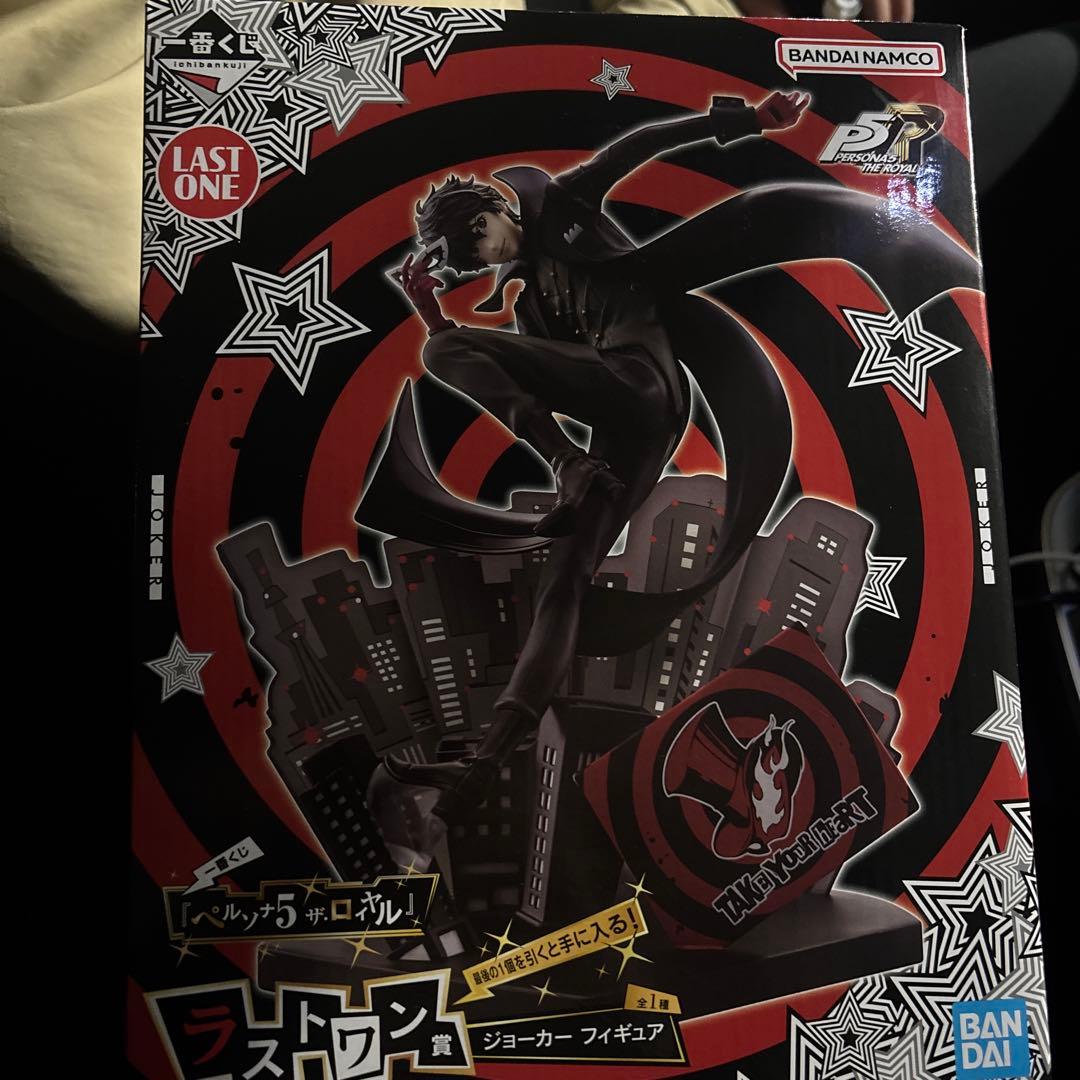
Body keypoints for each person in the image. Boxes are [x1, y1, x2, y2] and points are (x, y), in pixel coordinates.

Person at [378, 91, 809, 821]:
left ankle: (566, 466)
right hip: (624, 434)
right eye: (472, 258)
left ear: (496, 209)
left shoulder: (563, 203)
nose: (486, 254)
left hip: (642, 383)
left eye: (480, 236)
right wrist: (430, 313)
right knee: (564, 580)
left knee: (446, 349)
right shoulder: (530, 307)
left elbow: (641, 142)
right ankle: (487, 761)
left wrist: (748, 120)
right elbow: (525, 379)